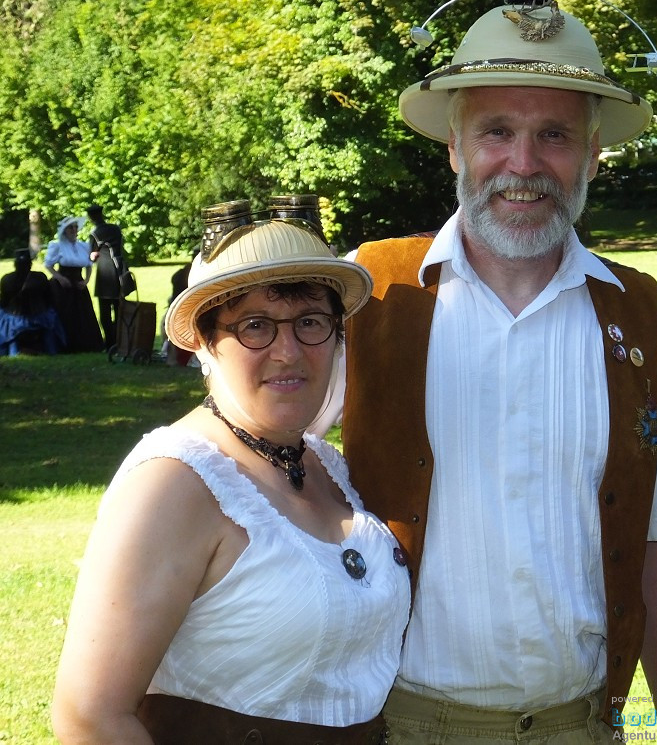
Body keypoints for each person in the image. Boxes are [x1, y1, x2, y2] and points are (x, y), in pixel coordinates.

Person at [340, 0, 657, 743]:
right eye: (496, 131)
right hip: (400, 725)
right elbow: (263, 460)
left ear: (594, 154)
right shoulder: (372, 293)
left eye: (555, 136)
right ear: (454, 146)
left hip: (581, 726)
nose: (524, 164)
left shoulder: (637, 313)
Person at [52, 206, 410, 744]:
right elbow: (89, 717)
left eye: (310, 321)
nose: (287, 352)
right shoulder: (174, 483)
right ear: (203, 342)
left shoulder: (324, 465)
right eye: (254, 326)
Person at [44, 215, 104, 353]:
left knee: (83, 315)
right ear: (65, 230)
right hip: (62, 286)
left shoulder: (83, 246)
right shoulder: (57, 245)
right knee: (65, 314)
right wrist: (60, 278)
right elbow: (48, 265)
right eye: (71, 227)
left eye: (75, 227)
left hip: (78, 284)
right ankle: (65, 345)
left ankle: (86, 345)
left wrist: (86, 280)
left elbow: (89, 265)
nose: (74, 230)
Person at [0, 248, 66, 355]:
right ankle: (51, 349)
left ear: (15, 264)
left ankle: (12, 350)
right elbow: (49, 299)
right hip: (40, 317)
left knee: (3, 318)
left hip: (15, 319)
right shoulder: (40, 277)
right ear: (30, 264)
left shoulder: (7, 279)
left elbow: (3, 302)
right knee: (51, 316)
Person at [86, 203, 128, 349]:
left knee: (105, 312)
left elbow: (91, 256)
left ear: (91, 217)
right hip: (120, 270)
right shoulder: (115, 229)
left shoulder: (95, 233)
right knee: (119, 309)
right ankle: (120, 340)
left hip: (105, 273)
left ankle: (110, 342)